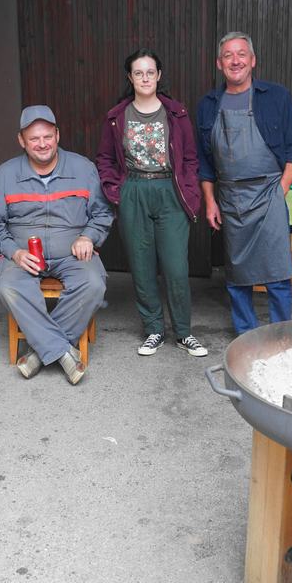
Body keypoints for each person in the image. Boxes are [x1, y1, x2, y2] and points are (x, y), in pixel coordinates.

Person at [0, 106, 113, 384]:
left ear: (57, 135)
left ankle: (39, 354)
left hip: (72, 253)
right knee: (9, 287)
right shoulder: (4, 175)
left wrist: (88, 236)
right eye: (34, 139)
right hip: (23, 255)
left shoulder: (83, 168)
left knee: (93, 284)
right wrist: (15, 252)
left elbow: (102, 213)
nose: (42, 144)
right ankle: (63, 352)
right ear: (22, 141)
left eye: (47, 136)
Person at [96, 49, 208, 357]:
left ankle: (183, 333)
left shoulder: (176, 113)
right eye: (138, 73)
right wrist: (116, 190)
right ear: (130, 77)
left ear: (158, 75)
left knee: (176, 266)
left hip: (170, 189)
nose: (145, 78)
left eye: (150, 72)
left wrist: (190, 190)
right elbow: (105, 158)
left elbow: (190, 158)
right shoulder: (117, 117)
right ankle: (153, 330)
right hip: (134, 189)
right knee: (142, 266)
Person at [196, 32, 292, 335]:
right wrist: (210, 201)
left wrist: (281, 189)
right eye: (228, 55)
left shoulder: (277, 96)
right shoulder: (208, 104)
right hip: (230, 195)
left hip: (269, 192)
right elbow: (204, 162)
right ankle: (247, 336)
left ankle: (281, 336)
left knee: (278, 272)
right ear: (219, 63)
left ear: (253, 60)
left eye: (241, 54)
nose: (235, 61)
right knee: (237, 273)